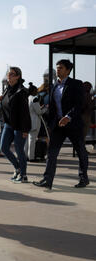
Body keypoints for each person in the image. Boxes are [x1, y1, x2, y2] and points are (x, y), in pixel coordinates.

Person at [33, 59, 89, 190]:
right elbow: (52, 107)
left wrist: (68, 117)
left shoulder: (76, 84)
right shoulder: (53, 86)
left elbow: (79, 104)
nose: (58, 70)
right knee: (52, 153)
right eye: (57, 68)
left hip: (73, 124)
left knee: (81, 151)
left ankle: (83, 178)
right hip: (58, 126)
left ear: (68, 70)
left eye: (61, 68)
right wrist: (50, 123)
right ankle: (47, 180)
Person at [0, 67, 31, 183]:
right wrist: (1, 100)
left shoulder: (21, 91)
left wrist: (25, 129)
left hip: (19, 125)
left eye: (12, 74)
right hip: (8, 124)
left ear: (18, 76)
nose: (9, 76)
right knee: (3, 148)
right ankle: (18, 168)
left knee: (19, 150)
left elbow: (25, 112)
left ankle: (23, 175)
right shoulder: (7, 89)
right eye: (9, 74)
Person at [25, 82, 47, 162]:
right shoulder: (35, 99)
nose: (37, 92)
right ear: (34, 91)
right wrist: (45, 108)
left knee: (28, 140)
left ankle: (26, 155)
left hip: (28, 121)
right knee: (32, 140)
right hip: (34, 122)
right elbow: (39, 112)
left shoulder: (28, 98)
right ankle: (31, 157)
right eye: (36, 90)